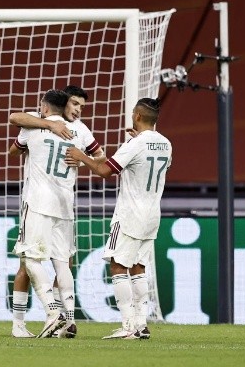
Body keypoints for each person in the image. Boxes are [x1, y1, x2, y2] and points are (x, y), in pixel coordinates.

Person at [64, 97, 172, 340]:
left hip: (130, 214)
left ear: (137, 116)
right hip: (152, 214)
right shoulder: (166, 143)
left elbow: (104, 171)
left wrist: (81, 155)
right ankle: (141, 324)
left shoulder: (135, 144)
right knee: (138, 267)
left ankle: (128, 325)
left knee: (118, 265)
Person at [8, 86, 105, 338]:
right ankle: (68, 319)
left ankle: (52, 313)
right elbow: (102, 160)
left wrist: (81, 159)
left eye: (81, 106)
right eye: (75, 104)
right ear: (65, 104)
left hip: (37, 202)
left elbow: (13, 146)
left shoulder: (33, 126)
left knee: (29, 259)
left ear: (45, 106)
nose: (78, 110)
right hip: (64, 204)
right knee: (62, 263)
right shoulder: (77, 132)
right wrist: (81, 156)